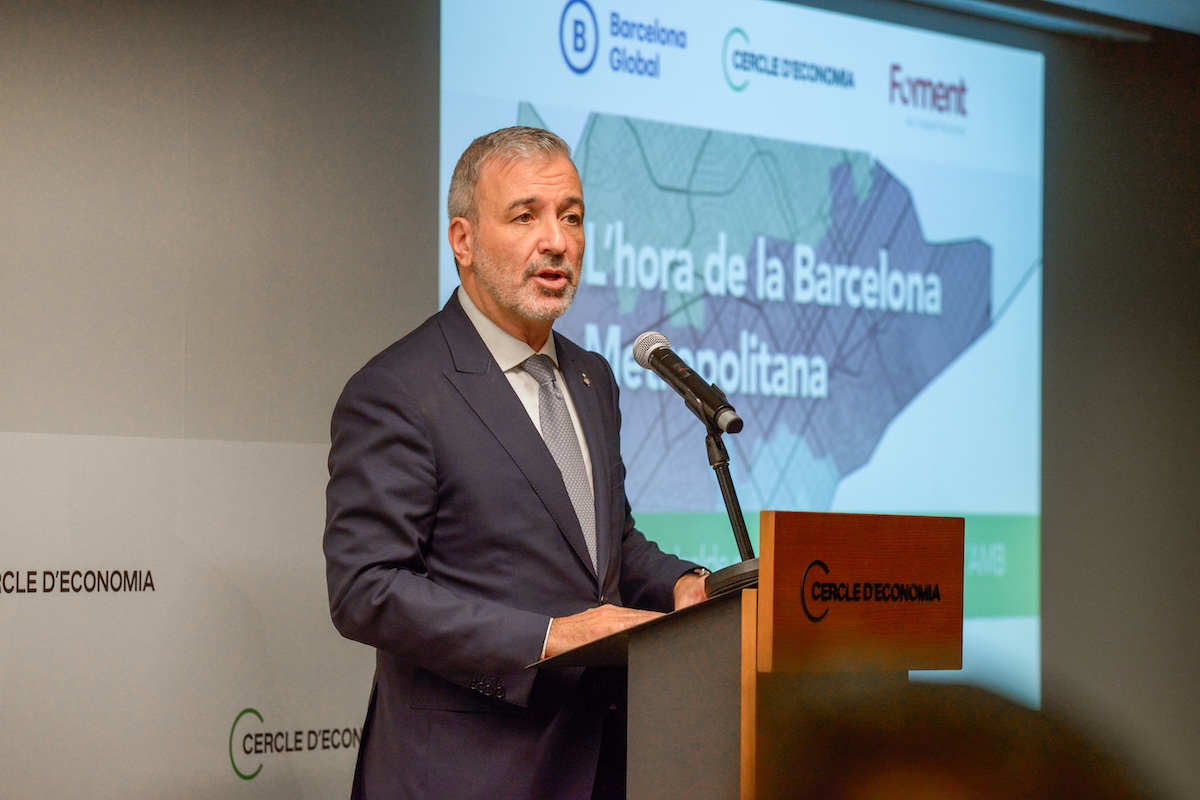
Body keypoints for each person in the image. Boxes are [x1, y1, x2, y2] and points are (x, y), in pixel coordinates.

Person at [323, 126, 708, 799]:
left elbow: (608, 546)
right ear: (463, 242)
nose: (557, 240)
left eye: (573, 217)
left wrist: (684, 587)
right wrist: (547, 637)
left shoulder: (592, 378)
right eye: (526, 216)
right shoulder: (400, 389)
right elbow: (367, 589)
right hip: (466, 773)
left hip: (604, 763)